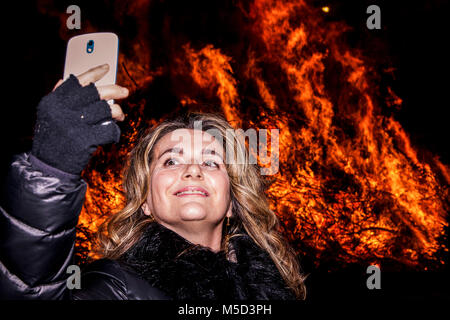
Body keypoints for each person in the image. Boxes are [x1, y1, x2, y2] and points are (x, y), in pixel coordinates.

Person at [0, 64, 306, 300]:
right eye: (171, 161)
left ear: (232, 204)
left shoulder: (272, 288)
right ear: (145, 201)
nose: (193, 170)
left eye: (211, 161)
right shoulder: (116, 285)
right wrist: (51, 168)